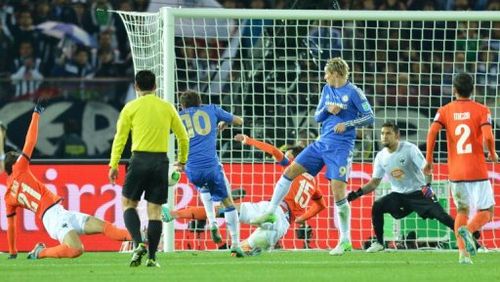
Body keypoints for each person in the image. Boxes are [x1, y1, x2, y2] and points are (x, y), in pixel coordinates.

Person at [250, 57, 374, 256]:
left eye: (327, 73)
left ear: (336, 73)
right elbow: (317, 117)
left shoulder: (354, 92)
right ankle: (271, 212)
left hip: (341, 148)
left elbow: (370, 117)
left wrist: (348, 124)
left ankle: (345, 240)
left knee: (338, 192)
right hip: (321, 143)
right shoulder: (327, 90)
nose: (324, 77)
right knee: (290, 171)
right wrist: (327, 110)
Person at [4, 103, 131, 260]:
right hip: (52, 217)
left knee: (104, 226)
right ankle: (39, 253)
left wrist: (12, 252)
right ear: (14, 164)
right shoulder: (20, 168)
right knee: (76, 249)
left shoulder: (9, 196)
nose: (22, 157)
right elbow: (30, 142)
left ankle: (138, 237)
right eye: (19, 157)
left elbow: (11, 225)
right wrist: (36, 114)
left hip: (60, 213)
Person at [162, 134, 326, 255]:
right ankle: (254, 246)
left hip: (270, 209)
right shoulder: (314, 184)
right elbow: (321, 205)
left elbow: (274, 151)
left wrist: (249, 141)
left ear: (298, 159)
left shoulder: (292, 167)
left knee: (223, 209)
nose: (287, 155)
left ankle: (175, 213)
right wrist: (302, 218)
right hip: (281, 226)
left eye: (290, 154)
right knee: (239, 252)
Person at [108, 70, 189, 267]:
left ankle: (137, 243)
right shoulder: (167, 107)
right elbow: (183, 137)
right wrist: (182, 161)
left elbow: (120, 138)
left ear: (136, 87)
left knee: (128, 204)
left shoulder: (130, 108)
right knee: (155, 211)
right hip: (160, 162)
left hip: (139, 160)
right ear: (155, 87)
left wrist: (114, 164)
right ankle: (152, 258)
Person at [347, 122, 455, 252]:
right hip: (399, 196)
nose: (384, 136)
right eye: (382, 133)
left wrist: (427, 187)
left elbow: (427, 170)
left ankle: (470, 238)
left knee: (442, 216)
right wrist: (358, 193)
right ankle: (380, 243)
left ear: (397, 135)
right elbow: (374, 183)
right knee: (378, 205)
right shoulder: (381, 156)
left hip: (419, 193)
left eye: (388, 133)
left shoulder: (410, 149)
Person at [424, 72, 497, 264]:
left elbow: (432, 132)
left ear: (454, 90)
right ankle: (469, 231)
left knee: (462, 211)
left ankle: (463, 255)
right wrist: (493, 153)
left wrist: (429, 160)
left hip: (456, 172)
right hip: (477, 170)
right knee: (487, 210)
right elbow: (488, 136)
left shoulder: (445, 110)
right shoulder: (482, 110)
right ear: (472, 89)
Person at [176, 90, 244, 257]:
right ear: (200, 102)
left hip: (192, 169)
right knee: (228, 202)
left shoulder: (178, 116)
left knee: (204, 187)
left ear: (182, 105)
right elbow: (239, 121)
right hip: (211, 167)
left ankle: (212, 221)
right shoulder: (212, 109)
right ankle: (235, 244)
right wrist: (223, 123)